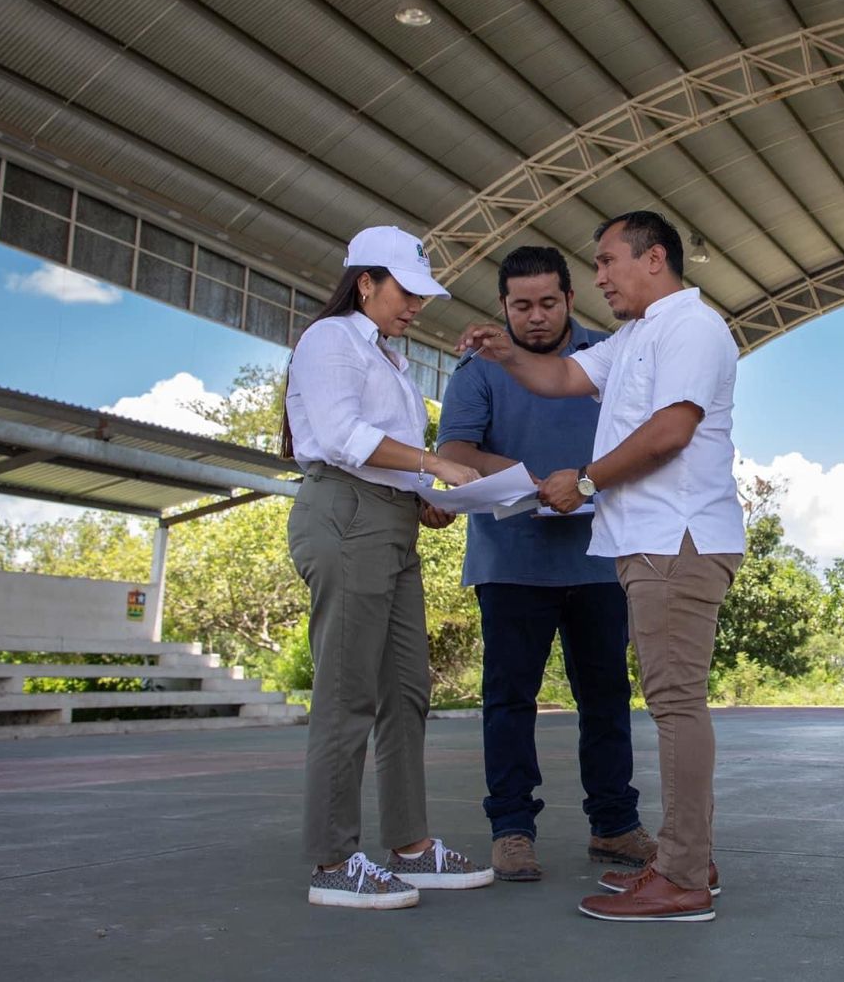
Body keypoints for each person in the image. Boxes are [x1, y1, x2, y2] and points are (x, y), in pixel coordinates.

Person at [457, 211, 744, 923]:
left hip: (676, 537)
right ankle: (688, 855)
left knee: (676, 706)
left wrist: (584, 481)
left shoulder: (690, 327)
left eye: (609, 260)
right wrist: (504, 354)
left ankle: (679, 876)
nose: (601, 276)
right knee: (668, 703)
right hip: (644, 540)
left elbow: (672, 430)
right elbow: (559, 374)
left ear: (654, 259)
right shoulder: (637, 336)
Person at [283, 225, 495, 909]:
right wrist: (432, 463)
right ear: (365, 281)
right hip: (346, 516)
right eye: (406, 292)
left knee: (407, 690)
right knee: (348, 692)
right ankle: (334, 858)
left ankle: (410, 843)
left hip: (392, 523)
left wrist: (426, 498)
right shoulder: (330, 340)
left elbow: (386, 454)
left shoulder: (391, 362)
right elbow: (344, 437)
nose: (416, 308)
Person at [435, 246, 654, 881]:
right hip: (509, 562)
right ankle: (511, 829)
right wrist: (528, 481)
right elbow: (454, 448)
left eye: (547, 303)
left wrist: (582, 483)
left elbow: (641, 440)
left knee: (608, 698)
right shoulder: (480, 368)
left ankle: (614, 826)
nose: (535, 317)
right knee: (508, 700)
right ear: (502, 307)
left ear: (570, 300)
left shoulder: (607, 358)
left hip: (598, 559)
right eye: (521, 306)